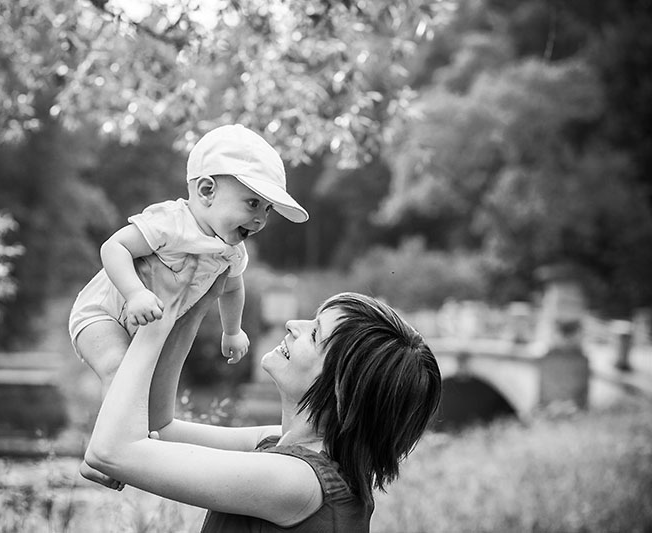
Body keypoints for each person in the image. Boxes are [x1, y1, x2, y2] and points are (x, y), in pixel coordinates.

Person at [83, 257, 442, 532]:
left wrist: (156, 322)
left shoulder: (298, 483)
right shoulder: (285, 445)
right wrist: (198, 305)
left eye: (314, 334)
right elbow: (160, 425)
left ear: (341, 388)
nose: (293, 325)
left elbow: (110, 452)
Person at [68, 124, 309, 399]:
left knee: (145, 385)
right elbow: (115, 247)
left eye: (268, 209)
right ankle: (115, 427)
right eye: (253, 203)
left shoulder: (232, 251)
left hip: (151, 325)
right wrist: (135, 294)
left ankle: (139, 425)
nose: (261, 219)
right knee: (118, 368)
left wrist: (232, 331)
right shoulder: (171, 222)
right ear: (207, 191)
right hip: (102, 313)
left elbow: (232, 288)